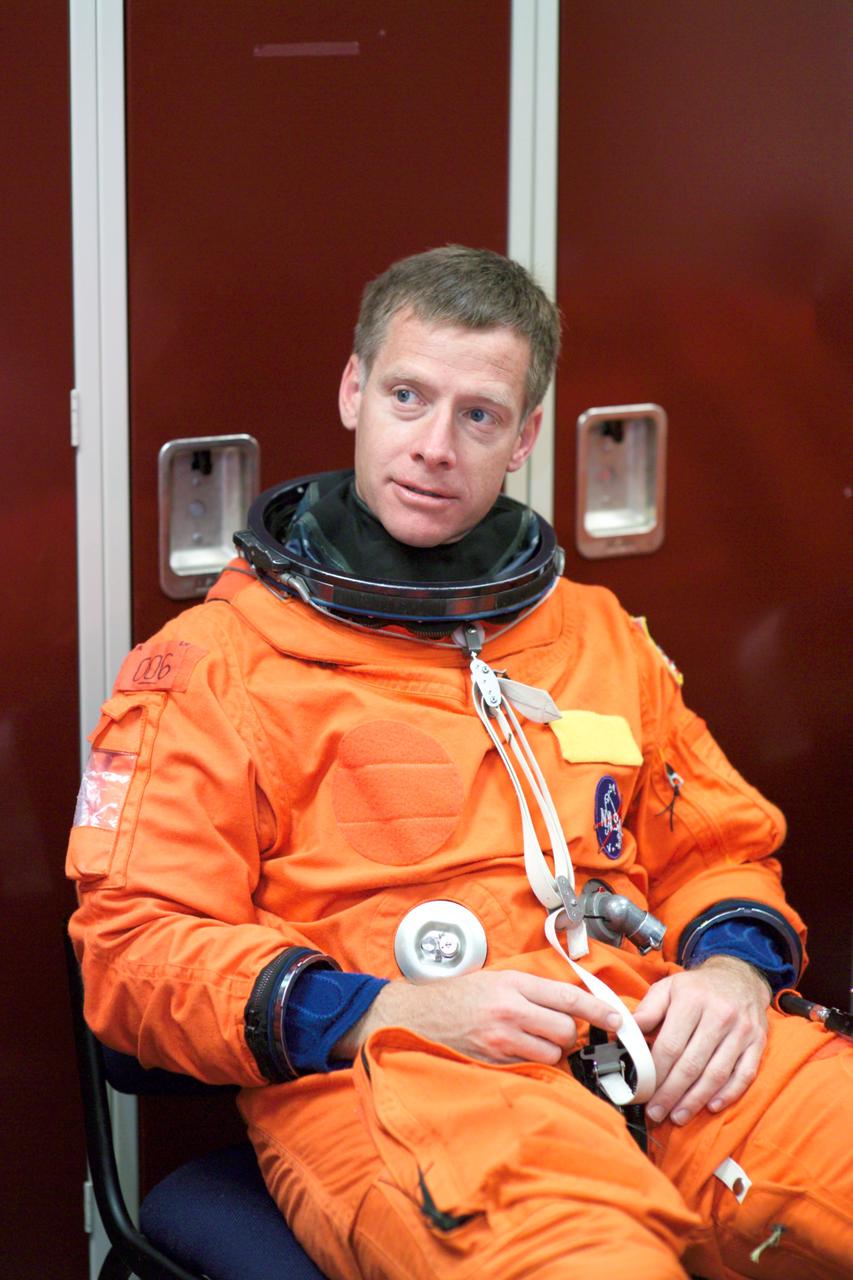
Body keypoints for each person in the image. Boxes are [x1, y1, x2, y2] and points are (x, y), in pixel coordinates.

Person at [67, 246, 852, 1280]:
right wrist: (386, 1008)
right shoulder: (213, 667)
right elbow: (133, 951)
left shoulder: (592, 634)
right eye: (406, 396)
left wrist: (731, 970)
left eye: (478, 415)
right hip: (406, 1079)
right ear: (354, 391)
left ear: (525, 436)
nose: (434, 445)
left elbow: (716, 842)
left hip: (658, 1047)